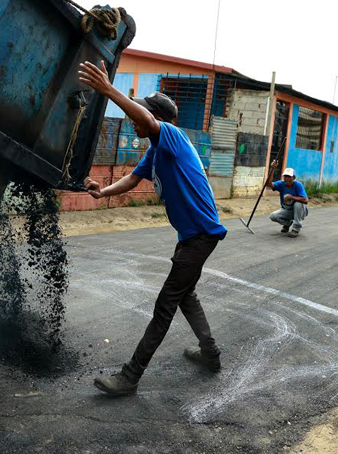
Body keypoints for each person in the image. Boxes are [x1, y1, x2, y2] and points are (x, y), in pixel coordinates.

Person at [78, 61, 227, 396]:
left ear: (158, 119)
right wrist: (103, 192)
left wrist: (108, 90)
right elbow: (133, 179)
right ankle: (210, 354)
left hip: (200, 237)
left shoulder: (173, 136)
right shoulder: (157, 151)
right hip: (193, 237)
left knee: (165, 306)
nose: (135, 120)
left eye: (143, 115)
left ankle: (129, 377)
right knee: (185, 295)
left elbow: (146, 120)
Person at [266, 163, 309, 237]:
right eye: (285, 176)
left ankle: (296, 229)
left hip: (300, 211)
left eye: (289, 176)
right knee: (273, 216)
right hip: (287, 210)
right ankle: (287, 224)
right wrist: (272, 168)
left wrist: (291, 197)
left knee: (298, 204)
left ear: (294, 178)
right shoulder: (281, 184)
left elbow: (305, 200)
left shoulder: (298, 185)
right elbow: (269, 184)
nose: (287, 178)